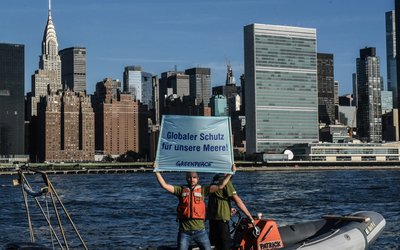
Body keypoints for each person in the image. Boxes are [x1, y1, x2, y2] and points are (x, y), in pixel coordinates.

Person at [154, 163, 236, 250]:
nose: (191, 179)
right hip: (184, 232)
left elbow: (220, 186)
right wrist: (156, 171)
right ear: (186, 179)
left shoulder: (203, 190)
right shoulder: (180, 190)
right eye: (189, 177)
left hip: (200, 232)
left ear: (198, 179)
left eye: (194, 177)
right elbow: (164, 185)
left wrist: (231, 172)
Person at [207, 172, 254, 250]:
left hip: (212, 219)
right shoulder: (226, 182)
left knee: (215, 245)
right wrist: (250, 216)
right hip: (222, 219)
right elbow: (237, 200)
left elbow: (217, 199)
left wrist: (228, 209)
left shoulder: (214, 180)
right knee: (225, 245)